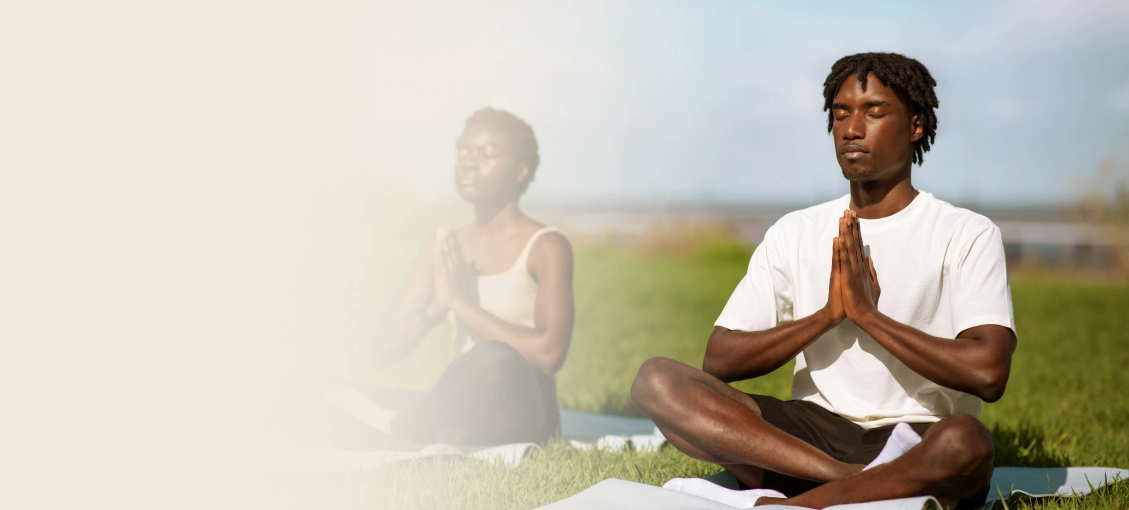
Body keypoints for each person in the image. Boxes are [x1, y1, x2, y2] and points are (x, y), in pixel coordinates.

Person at [630, 53, 1015, 509]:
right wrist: (829, 316)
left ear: (915, 127)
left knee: (966, 443)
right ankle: (855, 484)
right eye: (840, 114)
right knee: (656, 380)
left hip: (915, 437)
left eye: (874, 112)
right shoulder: (796, 232)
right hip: (809, 438)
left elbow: (988, 373)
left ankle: (799, 504)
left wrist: (868, 317)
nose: (851, 129)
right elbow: (720, 359)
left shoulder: (966, 233)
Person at [327, 107, 574, 448]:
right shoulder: (444, 246)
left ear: (521, 169)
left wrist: (461, 303)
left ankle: (404, 427)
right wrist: (435, 309)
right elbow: (380, 350)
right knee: (330, 390)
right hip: (465, 404)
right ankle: (419, 427)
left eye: (487, 154)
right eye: (463, 153)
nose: (469, 163)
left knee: (495, 358)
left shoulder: (547, 246)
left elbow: (549, 354)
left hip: (526, 414)